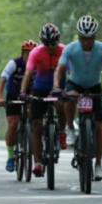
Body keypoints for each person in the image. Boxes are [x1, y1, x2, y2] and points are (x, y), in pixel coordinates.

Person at [53, 16, 102, 181]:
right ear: (78, 36)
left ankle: (98, 165)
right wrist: (56, 87)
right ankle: (70, 129)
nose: (86, 42)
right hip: (75, 84)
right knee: (69, 97)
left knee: (98, 127)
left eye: (89, 39)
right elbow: (59, 69)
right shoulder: (70, 48)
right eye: (83, 38)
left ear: (94, 37)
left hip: (94, 86)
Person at [19, 23, 68, 178]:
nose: (50, 47)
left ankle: (62, 132)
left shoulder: (65, 50)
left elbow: (72, 71)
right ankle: (38, 163)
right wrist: (23, 92)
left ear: (58, 41)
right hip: (40, 88)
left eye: (53, 44)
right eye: (46, 44)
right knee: (37, 126)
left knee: (60, 105)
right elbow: (28, 73)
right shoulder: (36, 52)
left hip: (59, 87)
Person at [0, 40, 38, 172]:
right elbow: (2, 79)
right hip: (13, 94)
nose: (29, 57)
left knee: (36, 119)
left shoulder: (38, 64)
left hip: (30, 94)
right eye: (27, 54)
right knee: (13, 124)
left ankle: (33, 135)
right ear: (22, 54)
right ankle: (10, 157)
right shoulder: (14, 63)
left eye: (32, 54)